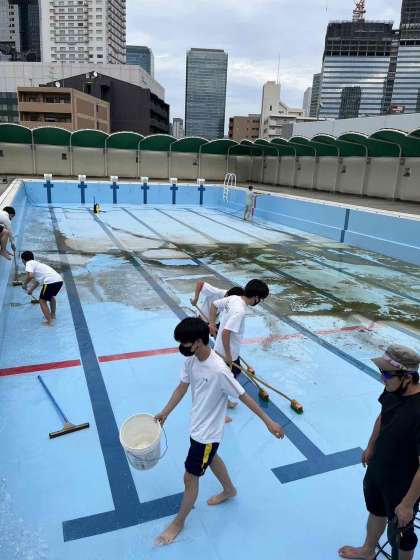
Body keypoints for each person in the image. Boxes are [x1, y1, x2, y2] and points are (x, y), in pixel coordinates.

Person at [154, 317, 284, 546]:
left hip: (207, 435)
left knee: (190, 477)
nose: (181, 347)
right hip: (197, 427)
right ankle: (229, 489)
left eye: (184, 343)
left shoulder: (219, 370)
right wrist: (165, 412)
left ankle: (179, 522)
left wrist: (268, 422)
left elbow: (243, 396)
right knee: (212, 458)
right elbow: (181, 388)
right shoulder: (191, 360)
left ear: (197, 342)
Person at [339, 344, 420, 560]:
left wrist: (407, 504)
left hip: (403, 483)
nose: (382, 379)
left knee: (402, 534)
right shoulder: (393, 390)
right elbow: (383, 416)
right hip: (380, 467)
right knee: (376, 510)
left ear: (407, 377)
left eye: (386, 374)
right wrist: (371, 446)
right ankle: (368, 550)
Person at [21, 251, 63, 326]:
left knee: (42, 301)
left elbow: (30, 276)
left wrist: (25, 284)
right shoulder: (37, 264)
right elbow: (37, 281)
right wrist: (31, 290)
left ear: (23, 260)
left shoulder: (29, 263)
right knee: (51, 297)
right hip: (59, 280)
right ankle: (52, 315)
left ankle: (49, 322)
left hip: (50, 281)